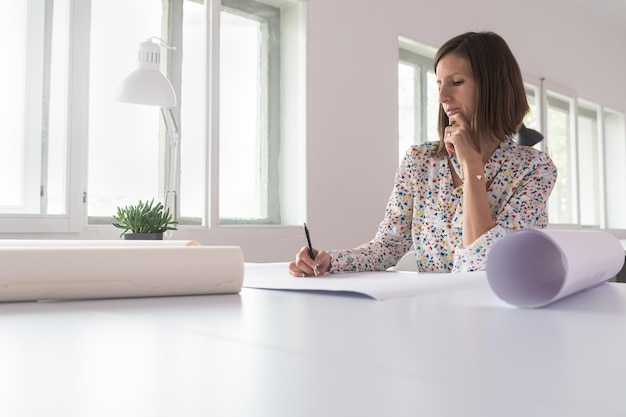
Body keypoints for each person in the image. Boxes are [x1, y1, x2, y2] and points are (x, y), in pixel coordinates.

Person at [289, 31, 557, 277]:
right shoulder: (419, 160)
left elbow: (486, 263)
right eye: (439, 83)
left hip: (498, 313)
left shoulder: (535, 168)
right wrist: (331, 261)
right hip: (429, 313)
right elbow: (389, 245)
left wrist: (472, 165)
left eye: (456, 82)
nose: (442, 96)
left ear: (494, 86)